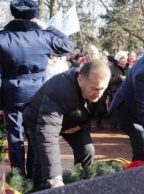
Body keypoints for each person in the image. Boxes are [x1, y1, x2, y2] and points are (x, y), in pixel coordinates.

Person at [0, 0, 73, 178]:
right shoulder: (43, 36)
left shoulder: (2, 37)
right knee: (34, 134)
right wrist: (47, 27)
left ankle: (18, 176)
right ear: (33, 16)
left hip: (11, 92)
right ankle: (33, 174)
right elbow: (67, 46)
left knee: (14, 136)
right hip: (37, 92)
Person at [22, 59, 111, 188]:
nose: (98, 94)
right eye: (94, 89)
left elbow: (91, 112)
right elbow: (48, 135)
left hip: (73, 121)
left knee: (87, 150)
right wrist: (54, 179)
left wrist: (81, 126)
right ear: (80, 80)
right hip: (38, 118)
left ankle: (82, 185)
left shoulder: (100, 84)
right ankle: (39, 188)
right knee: (42, 162)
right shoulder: (59, 91)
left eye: (102, 89)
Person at [109, 51, 130, 131]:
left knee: (126, 109)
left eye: (125, 58)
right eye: (122, 58)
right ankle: (113, 125)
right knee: (115, 109)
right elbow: (109, 80)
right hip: (115, 91)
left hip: (127, 91)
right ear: (118, 59)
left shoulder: (129, 68)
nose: (124, 60)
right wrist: (119, 78)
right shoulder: (112, 68)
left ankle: (125, 125)